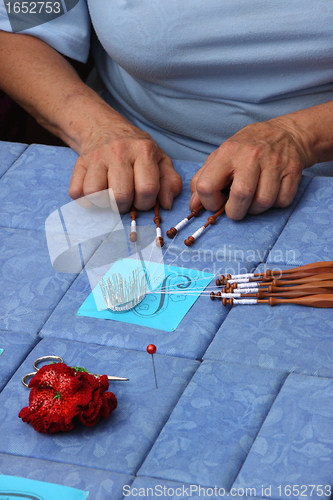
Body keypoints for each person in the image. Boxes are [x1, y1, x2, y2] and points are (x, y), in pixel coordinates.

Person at [1, 0, 333, 220]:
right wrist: (98, 130)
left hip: (318, 181)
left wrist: (301, 136)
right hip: (128, 167)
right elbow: (19, 28)